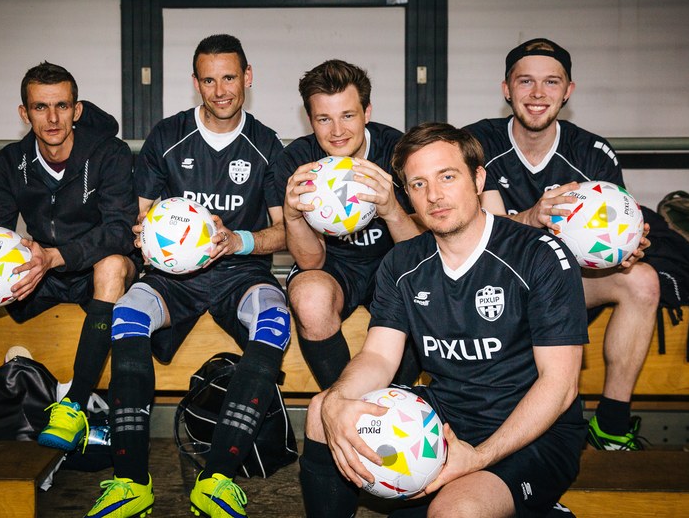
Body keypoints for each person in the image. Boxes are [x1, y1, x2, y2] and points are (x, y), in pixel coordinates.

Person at [299, 122, 588, 518]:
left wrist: (480, 457)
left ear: (478, 179)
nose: (433, 195)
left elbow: (561, 384)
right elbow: (379, 357)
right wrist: (335, 401)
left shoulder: (538, 254)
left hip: (532, 432)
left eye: (447, 177)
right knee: (322, 411)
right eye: (418, 184)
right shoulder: (402, 262)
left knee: (455, 511)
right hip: (447, 416)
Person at [83, 34, 290, 518]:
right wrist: (145, 234)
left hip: (240, 271)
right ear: (196, 83)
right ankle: (130, 482)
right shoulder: (168, 135)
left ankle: (216, 480)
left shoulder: (266, 145)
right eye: (209, 80)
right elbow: (138, 217)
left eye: (230, 77)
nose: (220, 90)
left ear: (248, 77)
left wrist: (236, 240)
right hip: (174, 274)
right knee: (127, 314)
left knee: (274, 319)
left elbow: (283, 232)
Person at [0, 62, 138, 451]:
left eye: (62, 106)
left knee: (113, 264)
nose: (52, 118)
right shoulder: (12, 159)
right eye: (40, 107)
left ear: (76, 110)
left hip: (92, 268)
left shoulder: (109, 153)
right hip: (41, 271)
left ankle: (74, 406)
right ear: (24, 112)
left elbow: (119, 231)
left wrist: (57, 255)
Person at [465, 37, 660, 451]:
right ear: (506, 89)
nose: (538, 93)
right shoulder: (478, 142)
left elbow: (616, 228)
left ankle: (611, 425)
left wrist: (625, 248)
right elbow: (479, 235)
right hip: (495, 285)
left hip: (566, 284)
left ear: (568, 91)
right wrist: (531, 217)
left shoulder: (591, 152)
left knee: (642, 280)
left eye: (551, 82)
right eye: (525, 81)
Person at [275, 59, 422, 391]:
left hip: (393, 263)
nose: (337, 131)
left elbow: (420, 253)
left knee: (425, 292)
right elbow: (311, 262)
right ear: (310, 120)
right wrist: (293, 215)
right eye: (324, 119)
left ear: (367, 112)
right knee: (309, 297)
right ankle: (342, 402)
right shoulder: (296, 162)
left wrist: (392, 210)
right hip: (334, 266)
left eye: (347, 116)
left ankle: (388, 399)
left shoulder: (400, 152)